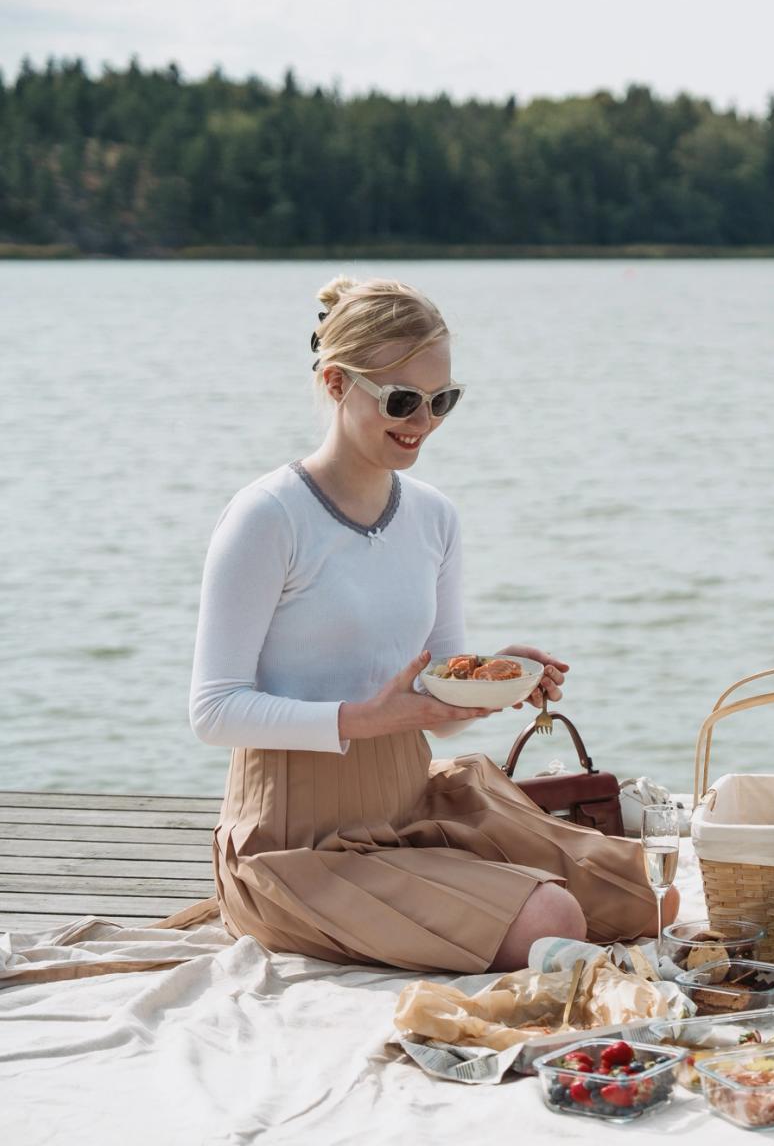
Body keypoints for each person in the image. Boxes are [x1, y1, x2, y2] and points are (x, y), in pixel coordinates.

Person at [189, 275, 676, 974]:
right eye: (402, 399)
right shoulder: (267, 516)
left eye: (442, 400)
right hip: (295, 841)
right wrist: (366, 719)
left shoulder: (433, 516)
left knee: (647, 898)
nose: (424, 420)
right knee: (553, 918)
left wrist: (494, 678)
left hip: (410, 806)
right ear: (335, 382)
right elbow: (213, 711)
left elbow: (440, 716)